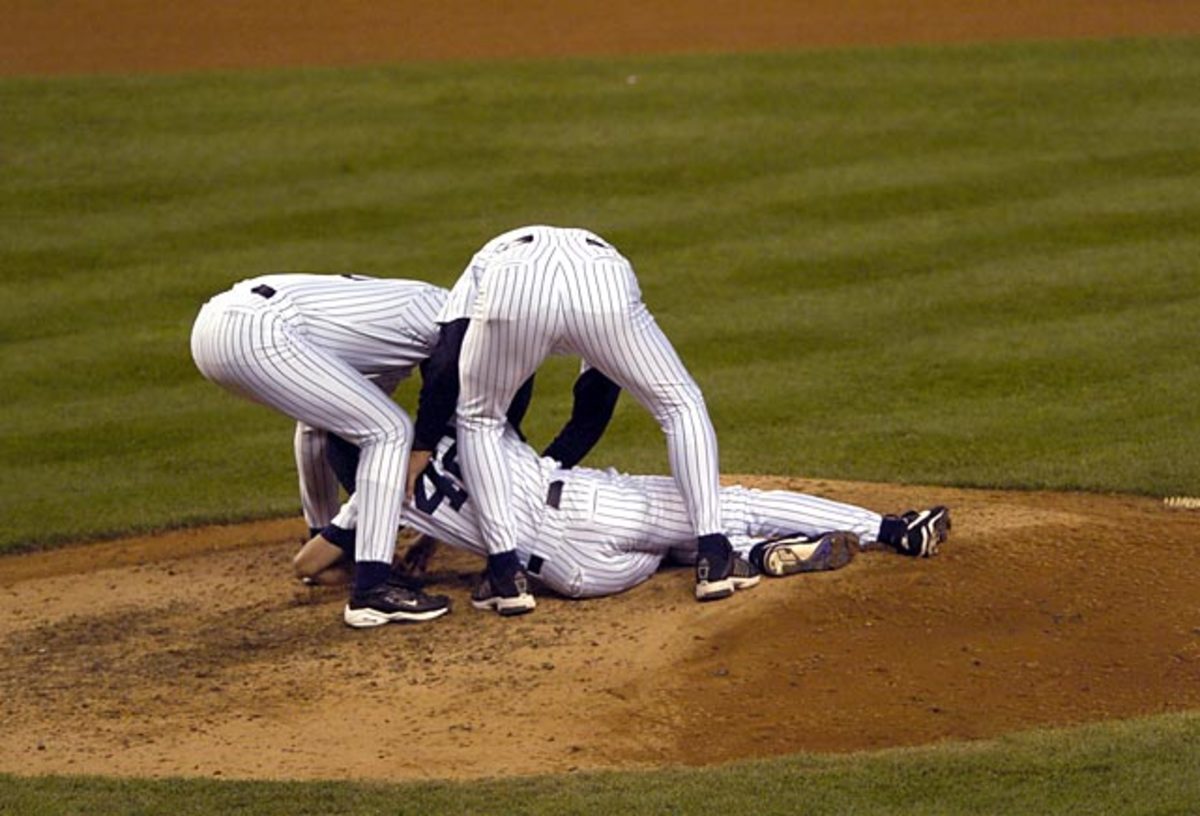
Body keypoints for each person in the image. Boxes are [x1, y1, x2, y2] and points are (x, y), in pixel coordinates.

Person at [407, 225, 741, 615]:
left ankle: (505, 572)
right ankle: (714, 555)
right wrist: (541, 475)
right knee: (681, 405)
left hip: (514, 283)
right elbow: (593, 411)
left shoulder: (481, 267)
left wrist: (423, 445)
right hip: (600, 280)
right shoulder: (603, 272)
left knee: (480, 421)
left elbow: (447, 362)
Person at [295, 422, 951, 604]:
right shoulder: (458, 425)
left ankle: (754, 560)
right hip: (594, 511)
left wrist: (415, 542)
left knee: (668, 551)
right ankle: (896, 531)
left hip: (580, 579)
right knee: (721, 509)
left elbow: (308, 565)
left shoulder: (371, 505)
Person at [190, 272, 457, 628]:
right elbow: (451, 389)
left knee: (329, 422)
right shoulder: (448, 320)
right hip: (258, 329)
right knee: (390, 431)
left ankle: (324, 541)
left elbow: (328, 425)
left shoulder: (394, 328)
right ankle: (374, 590)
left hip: (219, 325)